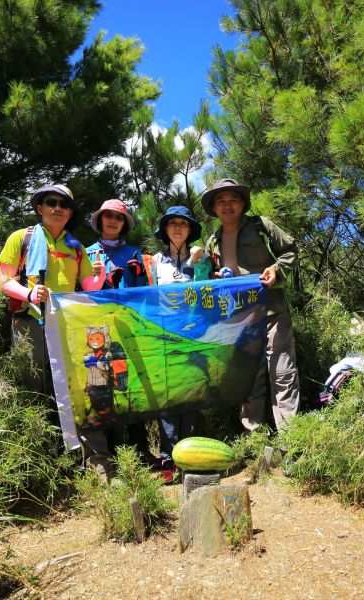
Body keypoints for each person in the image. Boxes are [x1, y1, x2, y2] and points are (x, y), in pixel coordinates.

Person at [201, 178, 300, 434]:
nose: (227, 205)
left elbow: (290, 250)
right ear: (214, 208)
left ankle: (292, 440)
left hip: (272, 311)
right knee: (247, 378)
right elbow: (210, 277)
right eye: (220, 201)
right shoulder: (212, 241)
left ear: (243, 203)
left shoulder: (261, 225)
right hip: (239, 319)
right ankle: (255, 436)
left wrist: (276, 269)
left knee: (282, 372)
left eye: (233, 199)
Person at [0, 184, 105, 397]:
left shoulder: (76, 247)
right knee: (30, 380)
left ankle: (61, 427)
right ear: (40, 208)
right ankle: (34, 428)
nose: (58, 208)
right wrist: (29, 294)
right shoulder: (21, 238)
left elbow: (89, 286)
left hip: (65, 323)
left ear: (70, 212)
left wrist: (99, 275)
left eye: (64, 204)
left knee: (65, 382)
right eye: (51, 203)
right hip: (29, 321)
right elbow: (3, 279)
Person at [83, 198, 156, 474]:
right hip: (97, 330)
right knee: (103, 388)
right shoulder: (86, 253)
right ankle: (111, 452)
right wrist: (103, 285)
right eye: (108, 216)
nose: (113, 221)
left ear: (124, 223)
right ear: (100, 220)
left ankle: (140, 449)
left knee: (132, 385)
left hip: (129, 328)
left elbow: (145, 293)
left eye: (118, 217)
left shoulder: (135, 252)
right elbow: (81, 292)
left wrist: (137, 277)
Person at [151, 205, 211, 482]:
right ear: (165, 229)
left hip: (194, 334)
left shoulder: (203, 257)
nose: (177, 228)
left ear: (190, 230)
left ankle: (190, 455)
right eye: (172, 223)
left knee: (192, 392)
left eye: (183, 224)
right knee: (168, 396)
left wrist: (199, 264)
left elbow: (206, 292)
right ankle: (168, 457)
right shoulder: (154, 261)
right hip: (164, 335)